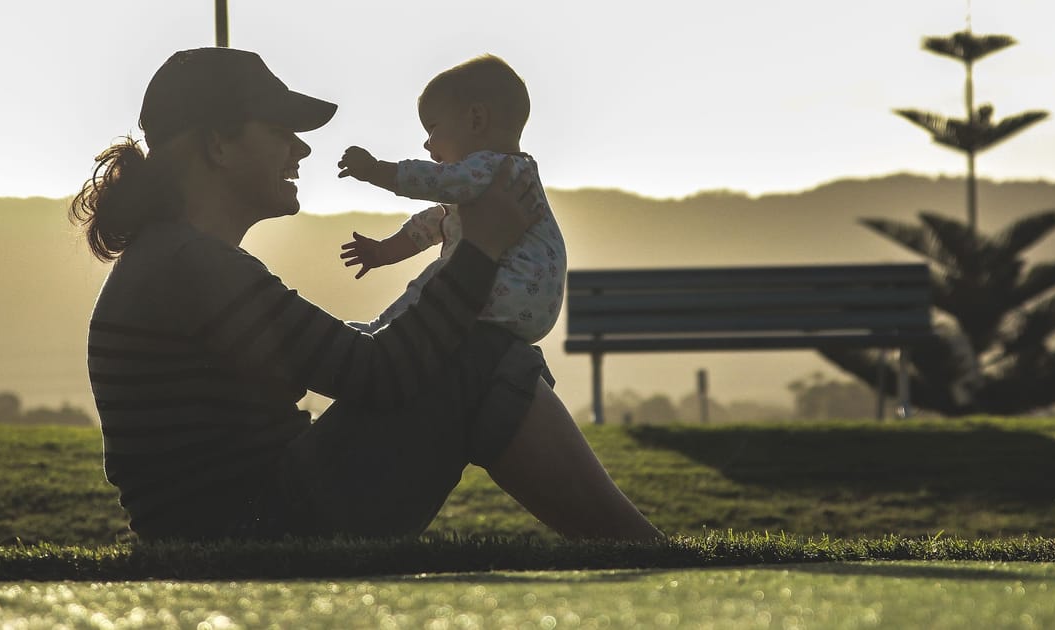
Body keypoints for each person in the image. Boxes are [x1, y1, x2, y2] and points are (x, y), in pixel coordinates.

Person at [70, 47, 661, 542]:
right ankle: (645, 554)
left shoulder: (177, 260)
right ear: (217, 146)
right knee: (481, 355)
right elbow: (378, 373)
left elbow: (350, 358)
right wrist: (481, 247)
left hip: (245, 521)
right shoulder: (187, 265)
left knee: (479, 351)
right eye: (281, 133)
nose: (300, 150)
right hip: (254, 530)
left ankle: (640, 551)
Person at [337, 55, 564, 343]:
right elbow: (434, 224)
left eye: (432, 128)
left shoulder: (493, 167)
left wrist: (375, 170)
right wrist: (383, 252)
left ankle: (382, 333)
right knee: (446, 279)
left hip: (508, 289)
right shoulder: (505, 179)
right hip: (532, 308)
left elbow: (434, 181)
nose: (427, 143)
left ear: (476, 120)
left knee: (438, 280)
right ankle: (382, 330)